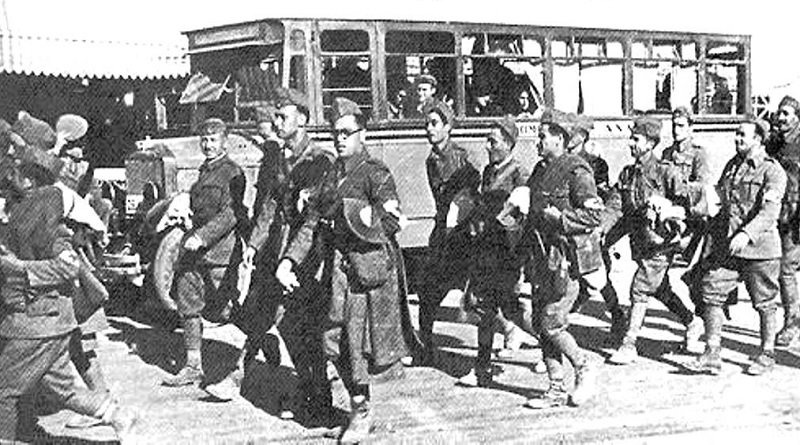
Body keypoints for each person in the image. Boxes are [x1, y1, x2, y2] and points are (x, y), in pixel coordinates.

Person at [276, 97, 412, 444]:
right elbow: (311, 223)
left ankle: (361, 413)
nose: (340, 139)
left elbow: (392, 220)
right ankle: (356, 409)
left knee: (356, 345)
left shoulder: (375, 172)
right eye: (336, 133)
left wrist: (360, 220)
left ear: (362, 134)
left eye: (346, 133)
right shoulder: (332, 173)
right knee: (331, 340)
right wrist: (288, 261)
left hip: (364, 274)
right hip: (336, 271)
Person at [0, 147, 137, 442]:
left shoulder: (48, 221)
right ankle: (119, 417)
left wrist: (19, 268)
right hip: (43, 321)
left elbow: (68, 267)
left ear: (29, 181)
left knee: (4, 391)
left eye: (15, 173)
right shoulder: (21, 211)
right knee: (61, 389)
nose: (8, 177)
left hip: (38, 322)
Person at [685, 117, 785, 375]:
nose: (737, 138)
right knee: (711, 290)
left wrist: (747, 234)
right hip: (729, 245)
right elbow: (719, 197)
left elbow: (769, 212)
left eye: (742, 134)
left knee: (764, 302)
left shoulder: (772, 171)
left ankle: (767, 353)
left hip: (760, 249)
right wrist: (696, 209)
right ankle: (712, 353)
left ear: (758, 139)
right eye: (736, 134)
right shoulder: (732, 165)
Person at [522, 109, 600, 409]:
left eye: (542, 136)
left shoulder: (576, 171)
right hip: (542, 258)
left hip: (567, 260)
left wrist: (562, 219)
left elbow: (593, 215)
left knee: (552, 321)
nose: (537, 141)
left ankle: (583, 367)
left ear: (560, 138)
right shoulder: (540, 170)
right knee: (541, 323)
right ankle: (555, 388)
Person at [162, 118, 248, 387]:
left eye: (213, 140)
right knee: (188, 304)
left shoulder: (232, 173)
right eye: (204, 140)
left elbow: (231, 214)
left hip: (219, 252)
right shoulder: (205, 171)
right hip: (194, 251)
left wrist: (202, 236)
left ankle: (260, 338)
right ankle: (193, 366)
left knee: (224, 310)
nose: (208, 145)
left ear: (225, 142)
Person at [605, 117, 699, 365]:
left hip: (662, 245)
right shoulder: (628, 174)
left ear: (650, 143)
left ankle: (629, 344)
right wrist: (603, 232)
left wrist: (671, 212)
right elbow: (617, 208)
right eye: (631, 138)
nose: (630, 143)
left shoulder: (666, 172)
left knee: (640, 287)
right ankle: (691, 321)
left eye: (635, 139)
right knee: (660, 289)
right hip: (641, 244)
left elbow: (687, 206)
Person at [457, 116, 533, 386]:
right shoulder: (489, 171)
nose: (487, 146)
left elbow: (523, 217)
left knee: (511, 309)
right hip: (486, 248)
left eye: (493, 141)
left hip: (507, 252)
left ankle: (551, 344)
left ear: (509, 144)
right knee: (484, 307)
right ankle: (482, 367)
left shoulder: (520, 174)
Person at [415, 100, 481, 366]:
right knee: (428, 292)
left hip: (465, 237)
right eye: (426, 124)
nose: (429, 129)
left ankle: (525, 334)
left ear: (448, 127)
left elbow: (474, 194)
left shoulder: (463, 157)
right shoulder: (431, 160)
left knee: (482, 299)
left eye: (434, 123)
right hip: (443, 235)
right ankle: (426, 351)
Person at [566, 113, 628, 342]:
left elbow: (600, 197)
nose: (567, 136)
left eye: (572, 133)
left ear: (582, 136)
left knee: (597, 272)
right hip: (569, 221)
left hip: (587, 223)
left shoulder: (595, 164)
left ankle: (617, 315)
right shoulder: (562, 159)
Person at [659, 106, 709, 352]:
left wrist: (680, 193)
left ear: (691, 128)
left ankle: (701, 328)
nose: (676, 130)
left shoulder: (699, 154)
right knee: (657, 280)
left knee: (695, 279)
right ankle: (690, 321)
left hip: (691, 223)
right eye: (673, 125)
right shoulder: (666, 153)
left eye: (680, 125)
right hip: (669, 222)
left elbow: (701, 188)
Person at [766, 96, 800, 347]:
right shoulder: (774, 142)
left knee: (786, 269)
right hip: (780, 212)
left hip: (796, 216)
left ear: (797, 116)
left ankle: (792, 324)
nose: (781, 117)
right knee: (781, 268)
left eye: (786, 113)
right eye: (779, 113)